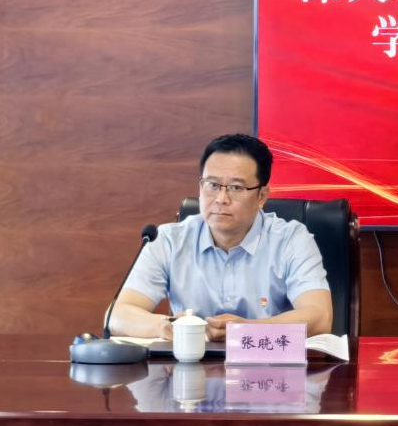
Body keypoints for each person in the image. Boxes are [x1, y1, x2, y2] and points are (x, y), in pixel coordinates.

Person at [109, 133, 333, 342]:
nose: (221, 198)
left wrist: (247, 330)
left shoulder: (291, 240)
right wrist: (166, 327)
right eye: (212, 185)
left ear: (262, 196)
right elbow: (117, 316)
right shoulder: (168, 240)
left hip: (268, 365)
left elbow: (320, 317)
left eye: (235, 187)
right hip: (189, 366)